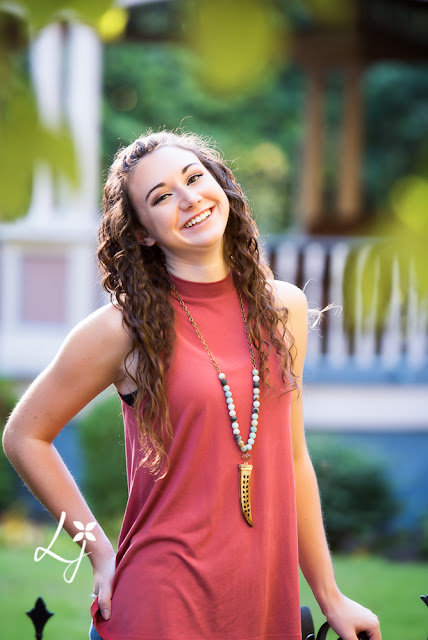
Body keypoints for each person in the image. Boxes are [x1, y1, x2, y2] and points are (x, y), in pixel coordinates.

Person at [2, 130, 381, 640]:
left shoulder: (283, 308)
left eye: (195, 178)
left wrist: (329, 595)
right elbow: (24, 435)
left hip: (264, 602)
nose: (188, 199)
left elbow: (292, 460)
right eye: (161, 197)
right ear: (142, 234)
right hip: (162, 604)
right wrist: (97, 547)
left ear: (221, 185)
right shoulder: (123, 328)